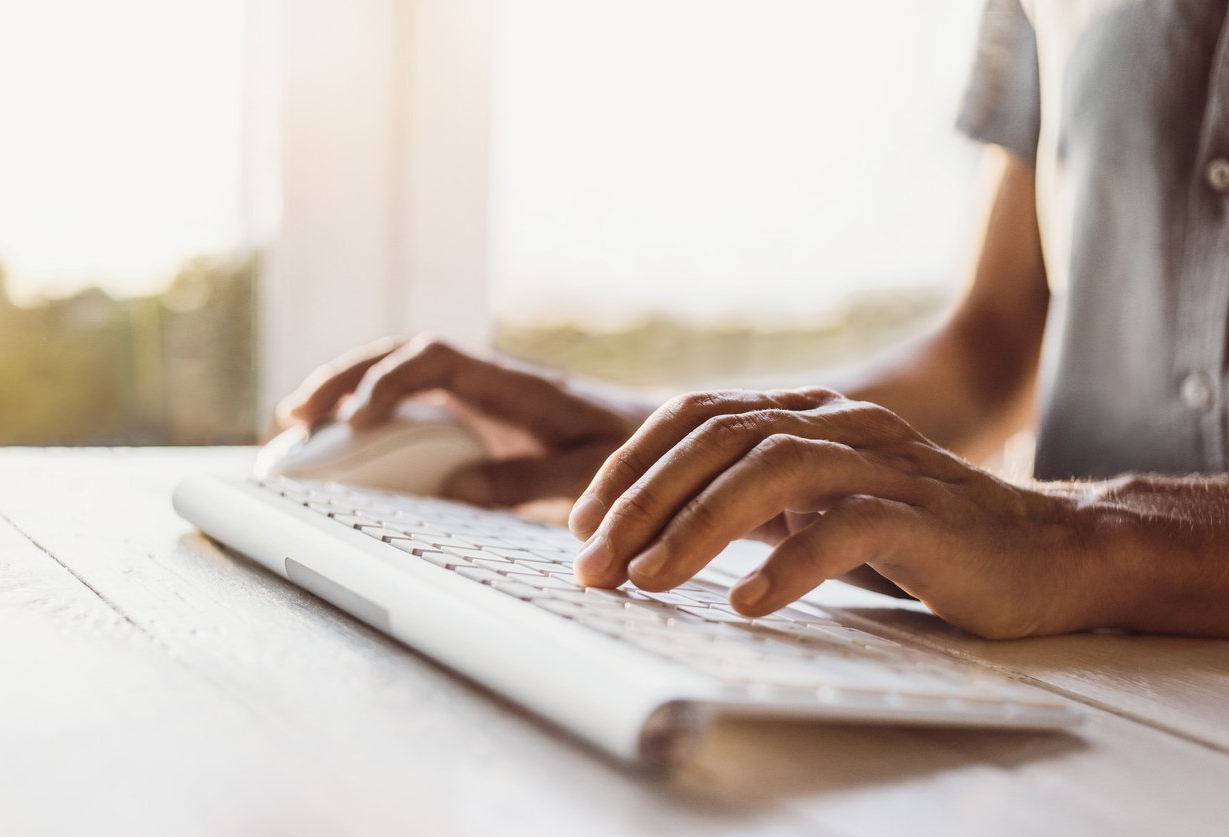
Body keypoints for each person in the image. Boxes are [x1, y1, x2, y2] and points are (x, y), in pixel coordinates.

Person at [276, 0, 1229, 640]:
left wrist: (1088, 535)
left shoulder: (1077, 538)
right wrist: (674, 437)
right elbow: (990, 352)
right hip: (1080, 685)